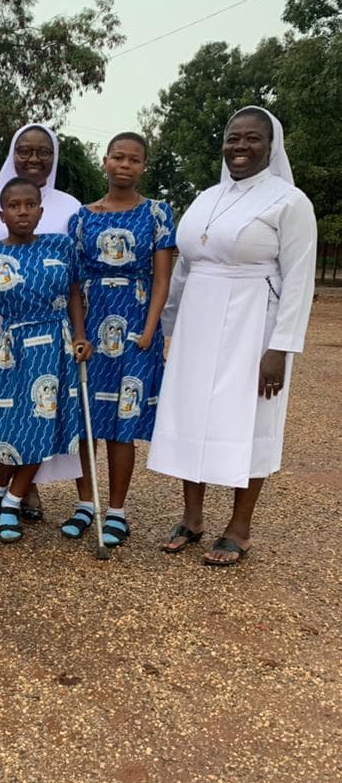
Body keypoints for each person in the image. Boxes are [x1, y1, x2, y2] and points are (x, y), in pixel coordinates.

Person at [148, 106, 317, 566]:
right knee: (191, 416)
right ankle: (192, 517)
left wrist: (279, 350)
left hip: (254, 323)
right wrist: (168, 329)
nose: (239, 147)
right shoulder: (206, 196)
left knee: (250, 419)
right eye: (232, 138)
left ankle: (239, 528)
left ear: (271, 145)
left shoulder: (289, 201)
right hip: (197, 324)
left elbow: (299, 279)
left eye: (251, 139)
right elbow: (183, 269)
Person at [0, 177, 91, 542]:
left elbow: (75, 294)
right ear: (2, 213)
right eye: (15, 206)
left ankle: (10, 499)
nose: (23, 212)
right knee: (9, 426)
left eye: (30, 205)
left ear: (41, 212)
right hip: (13, 347)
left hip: (54, 348)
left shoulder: (61, 246)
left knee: (40, 426)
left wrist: (79, 335)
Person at [64, 132, 175, 547]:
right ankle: (85, 504)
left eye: (134, 160)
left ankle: (116, 511)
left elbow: (162, 278)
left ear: (143, 166)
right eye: (118, 158)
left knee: (121, 427)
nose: (125, 165)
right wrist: (77, 332)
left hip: (135, 327)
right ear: (105, 161)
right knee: (88, 421)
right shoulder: (82, 217)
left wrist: (148, 332)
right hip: (91, 327)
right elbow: (74, 283)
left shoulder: (157, 214)